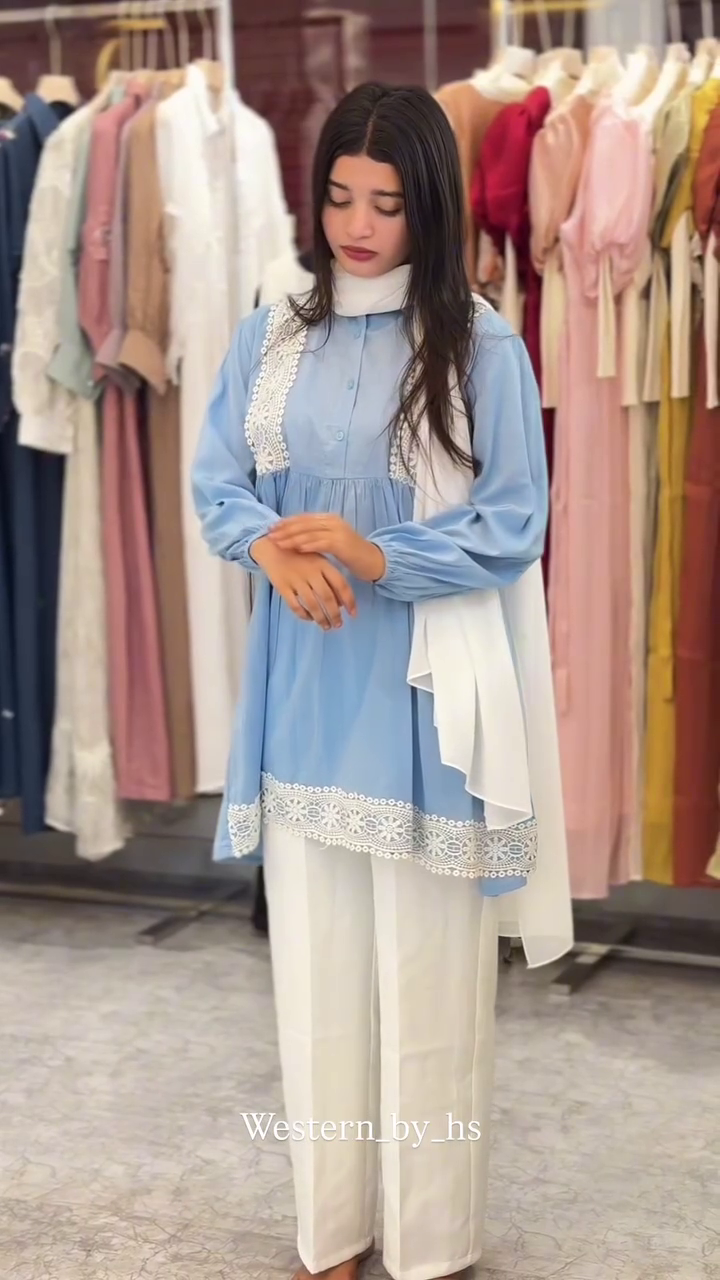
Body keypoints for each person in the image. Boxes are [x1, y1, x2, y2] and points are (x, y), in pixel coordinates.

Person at [193, 83, 571, 1280]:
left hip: (427, 706)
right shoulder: (270, 335)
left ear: (431, 208)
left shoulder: (480, 343)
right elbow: (218, 481)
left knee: (428, 990)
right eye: (340, 197)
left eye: (388, 203)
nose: (357, 226)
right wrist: (266, 547)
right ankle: (333, 1233)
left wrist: (373, 552)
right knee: (314, 983)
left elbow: (513, 521)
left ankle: (431, 1241)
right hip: (304, 696)